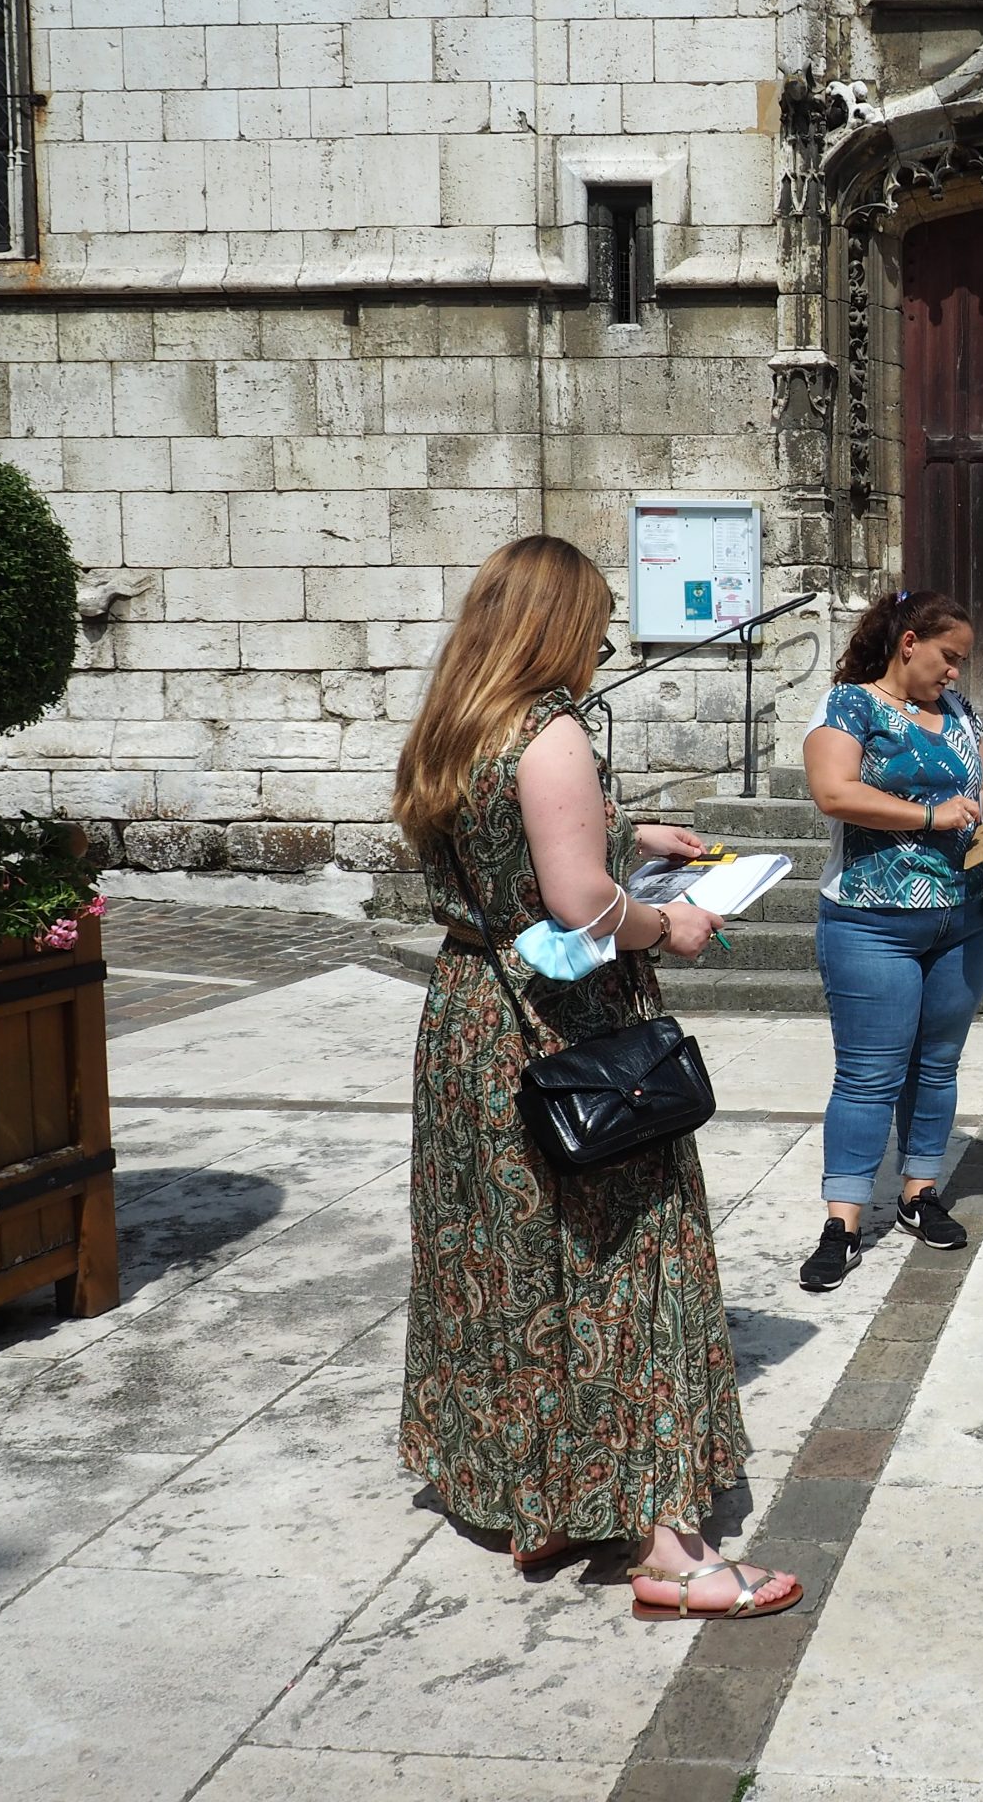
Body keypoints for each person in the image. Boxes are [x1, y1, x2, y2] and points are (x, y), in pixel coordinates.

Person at [390, 536, 800, 1622]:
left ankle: (538, 1490)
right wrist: (671, 923)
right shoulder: (550, 728)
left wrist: (627, 828)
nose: (610, 633)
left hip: (473, 1018)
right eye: (600, 614)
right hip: (563, 1027)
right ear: (554, 622)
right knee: (628, 1261)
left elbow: (507, 855)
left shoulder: (456, 727)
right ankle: (669, 1548)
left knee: (506, 1259)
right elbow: (579, 904)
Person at [797, 589, 983, 1292]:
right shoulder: (849, 707)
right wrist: (926, 816)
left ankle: (920, 1193)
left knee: (937, 1064)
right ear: (908, 643)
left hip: (964, 916)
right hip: (874, 919)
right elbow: (832, 793)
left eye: (962, 663)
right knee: (869, 1074)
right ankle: (843, 1221)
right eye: (948, 658)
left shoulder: (956, 713)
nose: (955, 674)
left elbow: (978, 790)